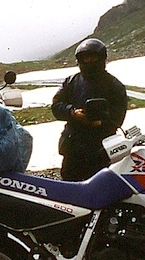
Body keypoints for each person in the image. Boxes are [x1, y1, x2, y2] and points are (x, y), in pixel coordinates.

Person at [52, 38, 127, 181]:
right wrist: (72, 112)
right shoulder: (71, 82)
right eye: (85, 58)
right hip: (74, 146)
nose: (89, 61)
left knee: (101, 186)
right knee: (69, 186)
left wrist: (100, 123)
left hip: (102, 147)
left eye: (92, 57)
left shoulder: (115, 85)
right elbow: (56, 106)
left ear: (101, 58)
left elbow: (119, 116)